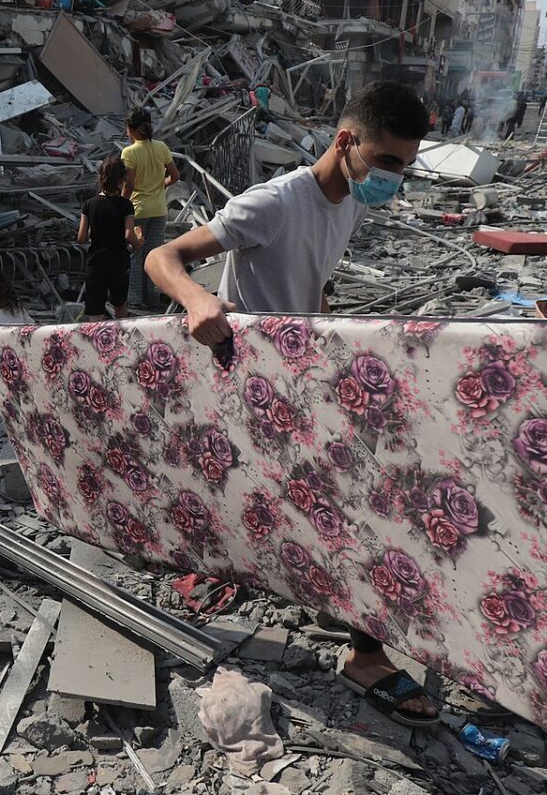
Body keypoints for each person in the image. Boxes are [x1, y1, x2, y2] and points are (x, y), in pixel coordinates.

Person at [145, 81, 440, 729]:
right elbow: (164, 256)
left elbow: (315, 278)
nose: (394, 178)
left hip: (299, 382)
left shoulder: (350, 204)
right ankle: (365, 654)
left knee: (341, 501)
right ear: (346, 141)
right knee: (350, 505)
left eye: (405, 166)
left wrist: (331, 348)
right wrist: (197, 301)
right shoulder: (276, 202)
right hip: (251, 388)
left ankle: (321, 599)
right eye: (387, 162)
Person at [122, 107, 179, 309]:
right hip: (159, 210)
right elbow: (175, 175)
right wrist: (159, 185)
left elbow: (129, 184)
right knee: (154, 255)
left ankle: (135, 300)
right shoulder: (162, 147)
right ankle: (153, 299)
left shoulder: (129, 152)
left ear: (131, 128)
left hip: (137, 211)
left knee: (136, 254)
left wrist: (121, 205)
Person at [78, 154, 141, 320]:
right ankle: (120, 342)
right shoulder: (126, 205)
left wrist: (96, 231)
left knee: (95, 309)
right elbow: (129, 234)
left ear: (100, 177)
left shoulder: (89, 204)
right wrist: (138, 243)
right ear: (122, 180)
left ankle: (95, 344)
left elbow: (82, 238)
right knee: (120, 305)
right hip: (118, 261)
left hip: (95, 261)